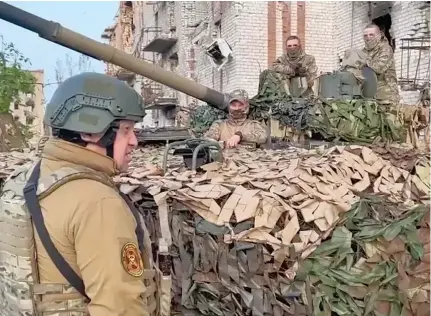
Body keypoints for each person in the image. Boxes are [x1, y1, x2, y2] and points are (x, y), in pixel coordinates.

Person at [3, 73, 155, 316]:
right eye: (126, 129)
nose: (134, 141)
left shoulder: (24, 179)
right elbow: (119, 308)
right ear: (90, 132)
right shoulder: (98, 201)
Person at [362, 23, 400, 105]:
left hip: (386, 97)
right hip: (369, 97)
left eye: (371, 35)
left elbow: (378, 68)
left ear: (379, 35)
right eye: (365, 36)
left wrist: (363, 61)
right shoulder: (363, 52)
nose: (368, 38)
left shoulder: (386, 49)